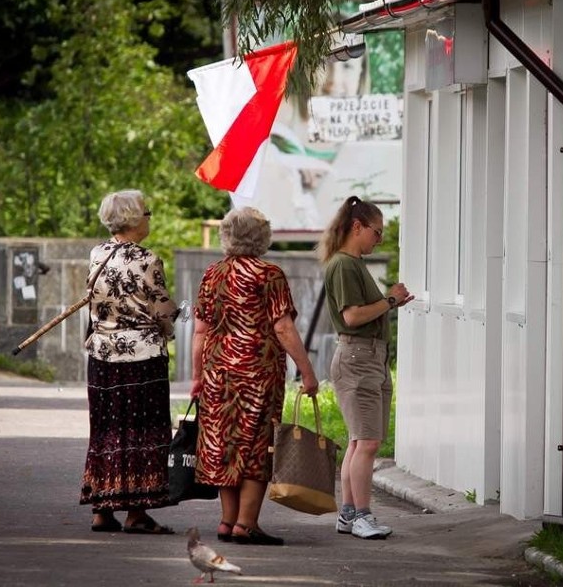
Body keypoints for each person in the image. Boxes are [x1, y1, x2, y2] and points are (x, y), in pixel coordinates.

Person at [190, 206, 320, 546]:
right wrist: (307, 371)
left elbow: (200, 330)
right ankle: (246, 524)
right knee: (256, 447)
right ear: (262, 237)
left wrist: (196, 375)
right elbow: (284, 327)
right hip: (257, 374)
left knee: (226, 444)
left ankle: (227, 520)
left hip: (218, 372)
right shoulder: (269, 274)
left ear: (226, 236)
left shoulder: (213, 274)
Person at [80, 189, 179, 535]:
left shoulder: (98, 255)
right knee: (141, 433)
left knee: (107, 431)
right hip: (141, 359)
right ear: (135, 220)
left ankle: (101, 509)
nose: (150, 218)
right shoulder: (147, 260)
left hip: (102, 357)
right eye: (147, 213)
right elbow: (163, 312)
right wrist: (172, 323)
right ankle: (137, 513)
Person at [317, 196, 414, 540]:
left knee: (360, 442)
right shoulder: (344, 265)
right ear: (356, 227)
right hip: (359, 358)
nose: (379, 239)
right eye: (377, 232)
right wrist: (390, 301)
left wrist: (390, 301)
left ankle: (348, 513)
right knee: (368, 442)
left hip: (367, 358)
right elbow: (352, 316)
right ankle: (362, 515)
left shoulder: (350, 263)